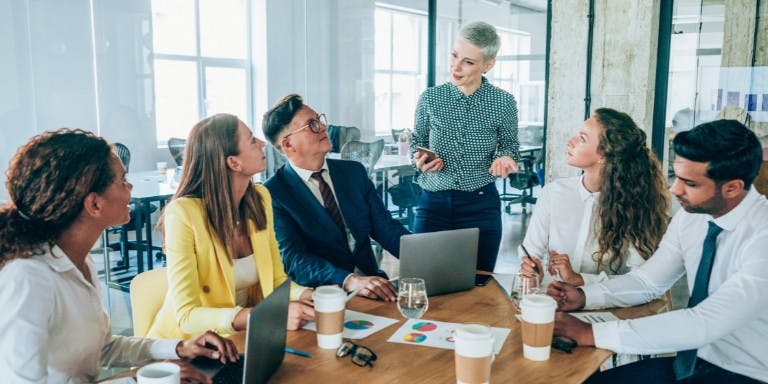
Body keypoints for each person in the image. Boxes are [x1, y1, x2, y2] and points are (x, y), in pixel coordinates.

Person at [0, 129, 237, 383]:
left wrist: (179, 347)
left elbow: (104, 348)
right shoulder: (27, 279)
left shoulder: (80, 261)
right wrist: (139, 381)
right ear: (94, 204)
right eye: (122, 180)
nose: (130, 186)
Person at [549, 120, 767, 383]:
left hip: (748, 371)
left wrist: (591, 333)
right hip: (694, 361)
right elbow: (649, 280)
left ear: (732, 187)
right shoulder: (692, 216)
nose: (674, 190)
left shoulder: (762, 235)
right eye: (676, 177)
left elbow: (703, 322)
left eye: (690, 183)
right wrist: (585, 296)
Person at [147, 114, 314, 340]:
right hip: (184, 347)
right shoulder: (183, 214)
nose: (263, 143)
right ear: (233, 163)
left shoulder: (260, 198)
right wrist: (265, 316)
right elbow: (187, 316)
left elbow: (275, 281)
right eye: (252, 140)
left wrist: (310, 295)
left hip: (239, 341)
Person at [263, 94, 410, 302]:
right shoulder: (274, 194)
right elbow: (295, 260)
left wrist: (421, 254)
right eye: (311, 125)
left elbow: (384, 227)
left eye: (320, 120)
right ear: (288, 145)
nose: (324, 128)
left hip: (375, 288)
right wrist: (350, 280)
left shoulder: (353, 172)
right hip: (323, 298)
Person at [411, 20, 519, 272]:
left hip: (480, 206)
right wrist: (419, 160)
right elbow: (418, 142)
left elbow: (510, 146)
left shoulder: (503, 102)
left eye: (468, 62)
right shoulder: (431, 98)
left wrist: (505, 158)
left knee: (479, 285)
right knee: (425, 280)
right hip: (433, 204)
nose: (456, 67)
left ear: (488, 65)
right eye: (454, 55)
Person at [520, 108, 670, 286]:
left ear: (603, 156)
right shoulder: (553, 193)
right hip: (553, 301)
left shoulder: (637, 203)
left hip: (610, 307)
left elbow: (642, 280)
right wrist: (531, 268)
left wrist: (579, 280)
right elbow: (530, 253)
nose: (570, 142)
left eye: (582, 138)